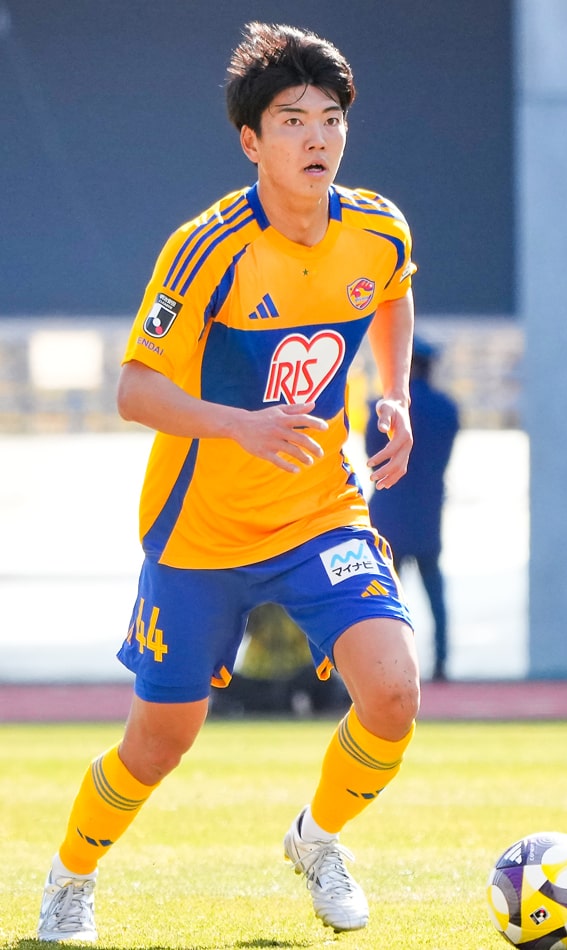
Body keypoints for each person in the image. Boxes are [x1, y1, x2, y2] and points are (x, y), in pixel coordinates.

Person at [37, 21, 420, 943]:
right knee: (158, 743)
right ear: (251, 140)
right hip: (200, 534)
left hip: (320, 513)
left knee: (394, 694)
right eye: (292, 121)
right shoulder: (207, 248)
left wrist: (395, 393)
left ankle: (317, 841)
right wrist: (239, 426)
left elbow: (394, 289)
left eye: (331, 119)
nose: (318, 138)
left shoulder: (376, 229)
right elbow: (134, 390)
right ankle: (70, 877)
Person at [365, 337, 459, 681]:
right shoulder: (447, 409)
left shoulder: (381, 410)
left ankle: (389, 667)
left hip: (388, 512)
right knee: (435, 594)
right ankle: (442, 663)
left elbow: (372, 455)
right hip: (428, 513)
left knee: (385, 600)